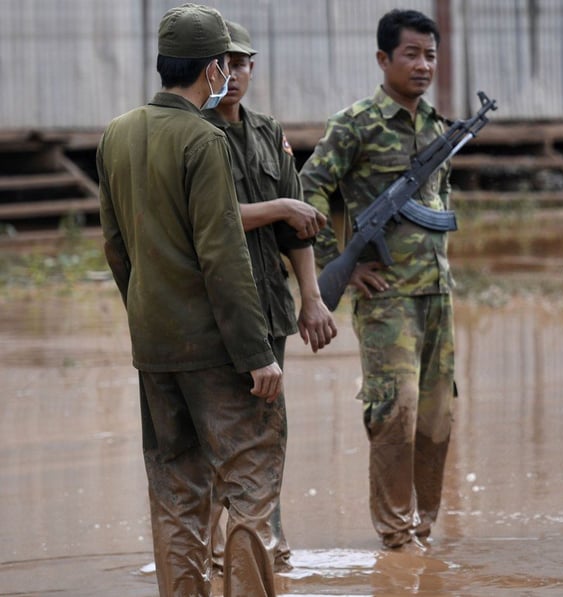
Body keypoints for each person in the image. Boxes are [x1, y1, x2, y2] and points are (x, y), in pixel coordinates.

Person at [96, 3, 284, 595]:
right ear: (211, 71)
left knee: (177, 492)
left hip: (154, 348)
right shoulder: (205, 140)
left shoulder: (117, 133)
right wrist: (257, 352)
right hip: (216, 350)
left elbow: (115, 247)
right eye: (225, 67)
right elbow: (223, 257)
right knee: (249, 482)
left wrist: (148, 316)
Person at [299, 8, 456, 552]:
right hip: (386, 295)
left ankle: (425, 525)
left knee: (438, 413)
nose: (422, 65)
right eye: (411, 54)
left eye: (430, 55)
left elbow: (442, 202)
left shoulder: (439, 128)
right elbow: (311, 189)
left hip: (438, 294)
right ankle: (395, 531)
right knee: (397, 408)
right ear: (383, 59)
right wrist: (337, 260)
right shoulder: (356, 124)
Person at [203, 19, 338, 573]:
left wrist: (311, 297)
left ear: (252, 69)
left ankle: (263, 545)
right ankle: (209, 550)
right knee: (215, 434)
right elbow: (206, 220)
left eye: (241, 64)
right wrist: (283, 208)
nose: (232, 75)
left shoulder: (267, 132)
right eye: (222, 64)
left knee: (266, 430)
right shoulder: (192, 133)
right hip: (211, 314)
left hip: (269, 309)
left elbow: (298, 228)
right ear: (202, 70)